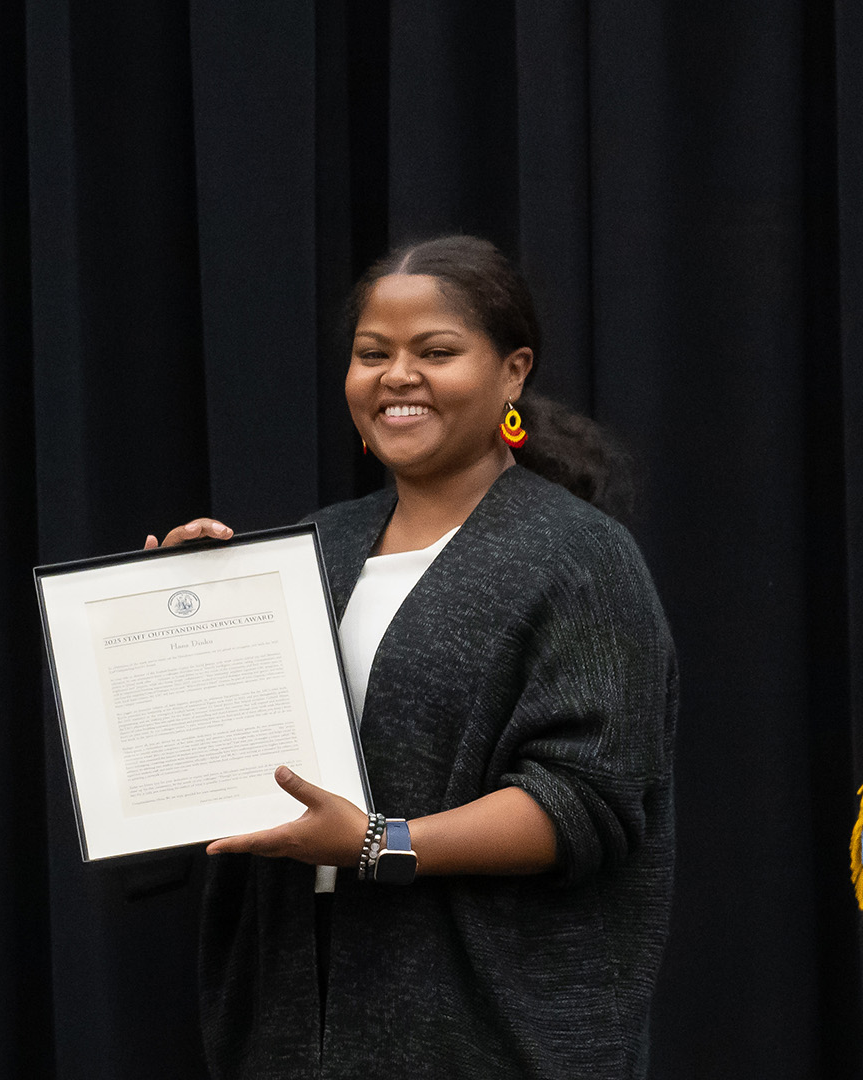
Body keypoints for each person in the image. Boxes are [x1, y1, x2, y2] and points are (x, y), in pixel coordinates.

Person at [149, 236, 675, 1078]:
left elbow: (587, 802)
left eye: (435, 352)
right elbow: (224, 756)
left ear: (513, 372)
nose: (397, 376)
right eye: (372, 354)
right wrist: (176, 620)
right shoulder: (315, 547)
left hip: (486, 1039)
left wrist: (376, 843)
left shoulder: (579, 558)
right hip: (292, 1032)